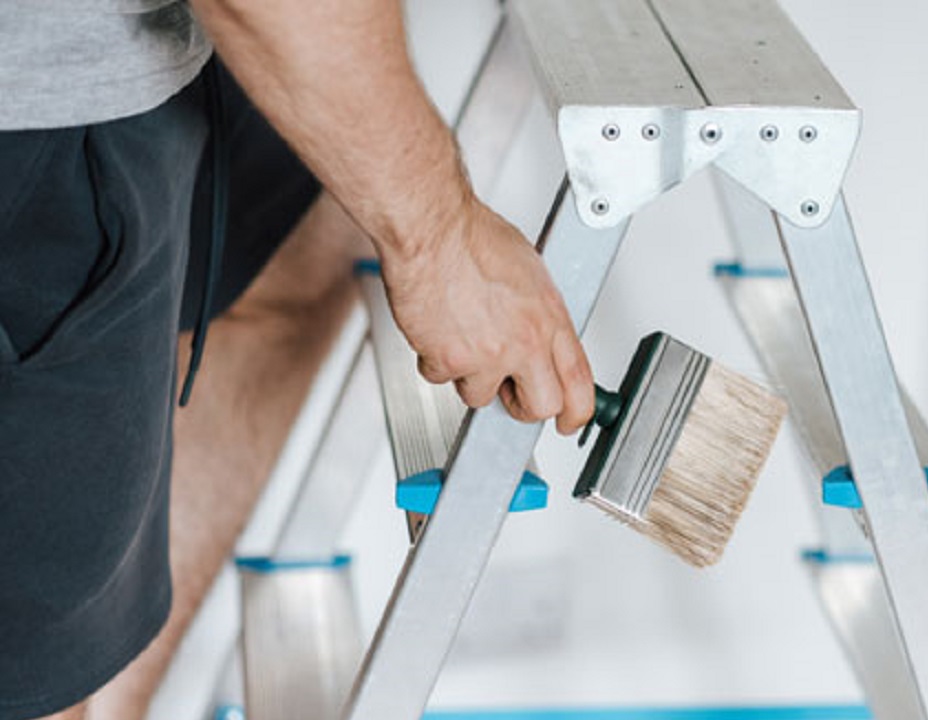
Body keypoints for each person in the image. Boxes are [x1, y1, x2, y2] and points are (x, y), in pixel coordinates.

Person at [0, 1, 596, 718]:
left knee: (308, 234)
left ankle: (103, 693)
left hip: (143, 51)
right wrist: (440, 237)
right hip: (33, 121)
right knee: (28, 679)